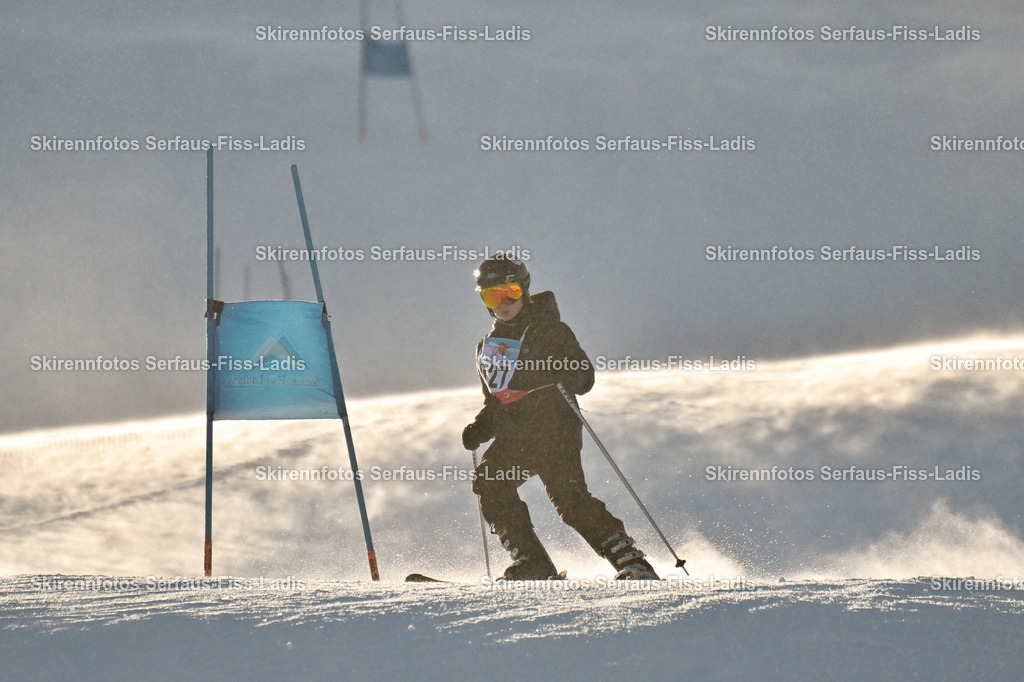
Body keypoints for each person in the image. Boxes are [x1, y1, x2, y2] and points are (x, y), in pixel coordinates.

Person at [462, 253, 660, 580]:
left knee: (569, 501)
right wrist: (480, 428)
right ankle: (532, 563)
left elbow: (584, 378)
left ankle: (632, 563)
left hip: (554, 430)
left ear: (524, 290)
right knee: (491, 482)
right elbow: (496, 401)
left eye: (509, 291)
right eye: (492, 295)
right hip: (515, 435)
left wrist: (550, 373)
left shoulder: (550, 330)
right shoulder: (488, 346)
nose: (503, 302)